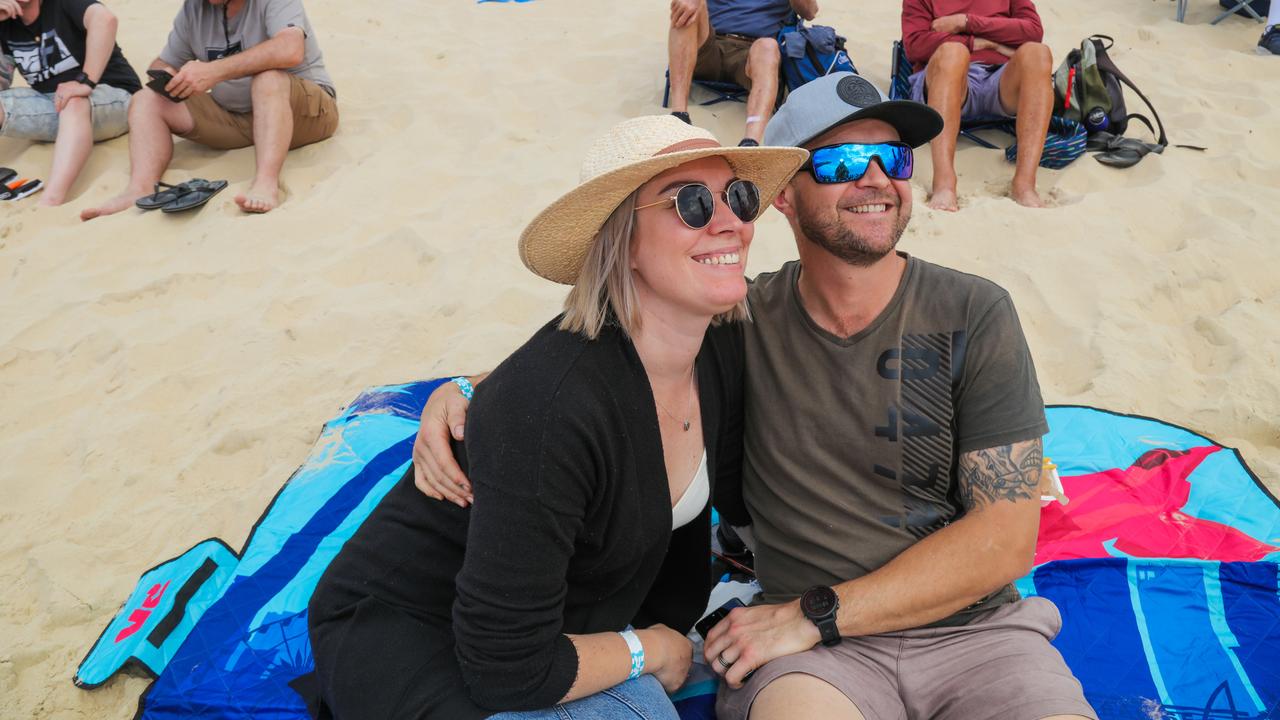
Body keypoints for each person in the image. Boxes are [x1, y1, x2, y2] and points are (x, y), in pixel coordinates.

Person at [414, 74, 1098, 720]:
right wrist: (468, 389)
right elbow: (601, 345)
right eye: (839, 163)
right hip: (815, 659)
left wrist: (814, 613)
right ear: (783, 198)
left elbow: (1006, 541)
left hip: (969, 633)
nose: (874, 180)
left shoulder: (975, 312)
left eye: (893, 158)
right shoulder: (737, 319)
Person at [305, 115, 806, 719]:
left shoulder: (719, 342)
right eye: (691, 202)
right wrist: (650, 649)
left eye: (741, 197)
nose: (730, 221)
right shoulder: (548, 410)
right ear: (622, 240)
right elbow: (505, 666)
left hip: (558, 617)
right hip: (418, 632)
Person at [80, 0, 336, 220]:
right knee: (147, 98)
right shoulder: (195, 7)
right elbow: (163, 62)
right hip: (237, 118)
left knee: (268, 78)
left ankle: (266, 183)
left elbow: (290, 50)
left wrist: (215, 70)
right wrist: (169, 74)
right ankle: (140, 187)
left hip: (304, 114)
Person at [902, 0, 1053, 210]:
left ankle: (1025, 185)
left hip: (1001, 79)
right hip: (946, 78)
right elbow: (916, 45)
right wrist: (978, 43)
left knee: (1038, 53)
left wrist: (965, 22)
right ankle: (944, 184)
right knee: (953, 52)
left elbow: (1033, 32)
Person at [0, 0, 140, 206]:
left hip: (113, 97)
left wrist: (86, 81)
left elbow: (105, 19)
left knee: (74, 101)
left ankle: (50, 200)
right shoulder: (5, 21)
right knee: (68, 102)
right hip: (53, 105)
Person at [667, 0, 817, 147]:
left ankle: (751, 142)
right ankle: (679, 118)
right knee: (690, 4)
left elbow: (810, 12)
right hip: (710, 43)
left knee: (768, 46)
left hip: (754, 54)